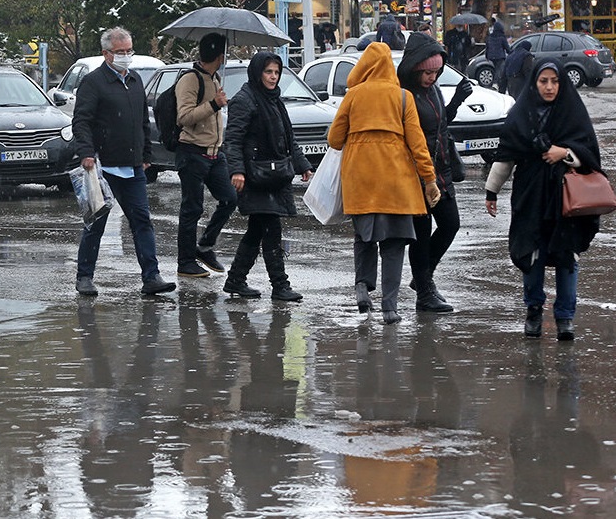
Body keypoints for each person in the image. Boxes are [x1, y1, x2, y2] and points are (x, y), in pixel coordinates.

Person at [485, 59, 601, 341]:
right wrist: (492, 191)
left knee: (566, 255)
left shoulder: (572, 112)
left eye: (555, 81)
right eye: (543, 81)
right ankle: (534, 311)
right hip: (530, 196)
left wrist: (565, 153)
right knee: (532, 253)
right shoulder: (521, 114)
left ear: (562, 83)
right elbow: (506, 155)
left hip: (566, 198)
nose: (549, 87)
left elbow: (590, 155)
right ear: (534, 83)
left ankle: (565, 318)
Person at [327, 42, 440, 324]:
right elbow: (418, 144)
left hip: (360, 180)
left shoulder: (353, 96)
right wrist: (429, 180)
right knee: (393, 245)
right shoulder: (403, 97)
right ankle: (390, 308)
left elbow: (334, 139)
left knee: (364, 237)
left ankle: (362, 287)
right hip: (395, 182)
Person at [72, 26, 176, 296]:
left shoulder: (135, 81)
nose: (126, 56)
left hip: (132, 166)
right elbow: (81, 121)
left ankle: (151, 277)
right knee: (96, 223)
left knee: (142, 221)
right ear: (106, 54)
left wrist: (145, 156)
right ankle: (84, 277)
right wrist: (86, 153)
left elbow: (142, 120)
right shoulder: (93, 83)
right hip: (102, 167)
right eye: (120, 52)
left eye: (129, 50)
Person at [220, 51, 313, 301]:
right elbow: (233, 139)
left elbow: (288, 139)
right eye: (268, 72)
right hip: (256, 176)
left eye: (276, 72)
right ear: (258, 72)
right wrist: (237, 170)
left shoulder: (274, 100)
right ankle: (279, 285)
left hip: (275, 175)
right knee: (270, 229)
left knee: (258, 230)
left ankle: (236, 279)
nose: (273, 77)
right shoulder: (245, 100)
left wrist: (302, 165)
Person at [397, 33, 474, 313]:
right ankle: (425, 292)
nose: (432, 77)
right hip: (416, 174)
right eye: (427, 72)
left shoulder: (433, 90)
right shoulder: (404, 95)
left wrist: (455, 102)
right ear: (415, 68)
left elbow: (441, 125)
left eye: (436, 72)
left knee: (450, 224)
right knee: (421, 231)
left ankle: (422, 278)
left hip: (441, 171)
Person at [174, 32, 237, 278]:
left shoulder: (215, 77)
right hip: (192, 152)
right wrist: (214, 104)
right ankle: (185, 262)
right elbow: (184, 117)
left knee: (230, 199)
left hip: (214, 153)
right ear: (220, 56)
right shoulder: (190, 80)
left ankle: (205, 246)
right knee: (192, 208)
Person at [486, 17, 511, 91]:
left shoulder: (490, 36)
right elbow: (506, 47)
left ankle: (496, 83)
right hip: (500, 56)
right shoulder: (502, 37)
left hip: (491, 56)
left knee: (496, 69)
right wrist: (510, 52)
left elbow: (487, 46)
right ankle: (496, 83)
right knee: (499, 70)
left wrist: (487, 55)